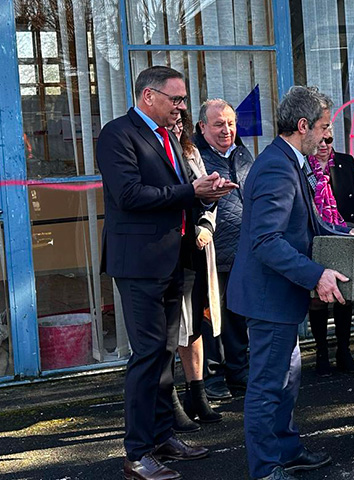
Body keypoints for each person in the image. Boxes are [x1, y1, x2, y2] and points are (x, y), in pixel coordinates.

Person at [97, 65, 236, 480]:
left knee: (162, 353)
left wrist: (206, 194)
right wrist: (190, 191)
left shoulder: (169, 137)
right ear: (148, 96)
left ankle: (161, 437)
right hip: (139, 265)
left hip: (174, 260)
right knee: (146, 356)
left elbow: (179, 193)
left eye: (183, 99)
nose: (181, 107)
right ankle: (137, 454)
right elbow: (129, 195)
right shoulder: (117, 134)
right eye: (175, 99)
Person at [227, 86, 354, 480]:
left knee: (286, 382)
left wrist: (346, 233)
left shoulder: (287, 160)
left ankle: (287, 452)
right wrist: (316, 274)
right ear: (303, 125)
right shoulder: (277, 166)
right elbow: (266, 241)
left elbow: (306, 225)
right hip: (268, 298)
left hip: (279, 298)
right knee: (267, 387)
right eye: (323, 128)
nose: (327, 137)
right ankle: (266, 468)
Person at [195, 98, 254, 401]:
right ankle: (213, 377)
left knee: (238, 315)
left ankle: (239, 372)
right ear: (202, 127)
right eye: (218, 124)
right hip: (211, 251)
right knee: (210, 318)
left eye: (230, 123)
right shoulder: (195, 157)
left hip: (244, 251)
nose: (226, 130)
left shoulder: (243, 153)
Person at [169, 109, 223, 431]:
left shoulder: (191, 151)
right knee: (175, 326)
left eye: (181, 124)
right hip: (170, 250)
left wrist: (206, 225)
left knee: (195, 324)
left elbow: (208, 198)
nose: (177, 128)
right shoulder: (156, 152)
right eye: (172, 123)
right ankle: (171, 401)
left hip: (197, 247)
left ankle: (197, 393)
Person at [306, 124, 354, 376]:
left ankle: (344, 351)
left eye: (329, 140)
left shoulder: (345, 161)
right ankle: (321, 353)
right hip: (316, 237)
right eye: (320, 141)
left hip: (346, 236)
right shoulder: (303, 166)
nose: (324, 145)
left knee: (344, 294)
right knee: (318, 298)